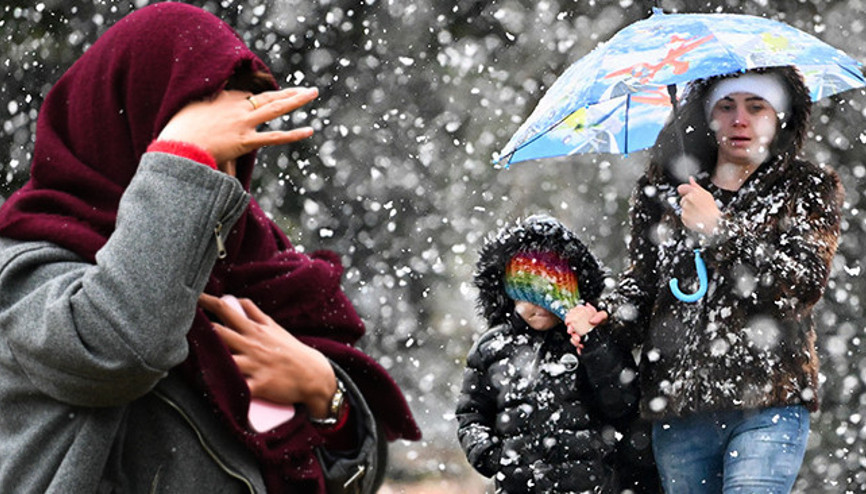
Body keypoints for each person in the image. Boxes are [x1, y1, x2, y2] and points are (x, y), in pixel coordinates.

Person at [0, 3, 420, 493]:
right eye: (199, 151)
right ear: (127, 129)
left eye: (231, 149)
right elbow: (120, 352)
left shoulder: (258, 266)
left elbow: (339, 474)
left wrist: (326, 395)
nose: (216, 177)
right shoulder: (24, 269)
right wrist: (182, 161)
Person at [566, 66, 843, 492]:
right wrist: (606, 320)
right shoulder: (663, 192)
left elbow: (801, 285)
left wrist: (720, 232)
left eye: (757, 107)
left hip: (768, 402)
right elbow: (642, 285)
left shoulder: (806, 188)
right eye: (726, 106)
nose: (739, 120)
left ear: (781, 116)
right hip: (678, 410)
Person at [456, 215, 658, 493]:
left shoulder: (593, 339)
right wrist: (489, 453)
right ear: (508, 293)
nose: (540, 307)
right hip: (520, 485)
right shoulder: (491, 347)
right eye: (528, 295)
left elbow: (622, 402)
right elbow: (471, 414)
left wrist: (593, 344)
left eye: (551, 295)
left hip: (590, 484)